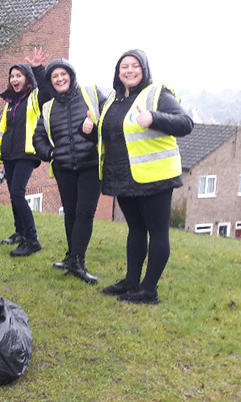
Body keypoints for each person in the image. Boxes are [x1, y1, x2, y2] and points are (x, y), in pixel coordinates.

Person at [89, 49, 193, 304]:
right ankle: (131, 281)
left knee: (157, 233)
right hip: (123, 176)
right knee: (135, 230)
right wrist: (90, 130)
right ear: (118, 72)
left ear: (144, 70)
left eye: (135, 66)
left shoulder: (157, 95)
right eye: (124, 66)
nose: (129, 70)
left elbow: (185, 123)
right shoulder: (113, 99)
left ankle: (149, 290)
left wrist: (154, 118)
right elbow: (111, 135)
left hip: (155, 177)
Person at [33, 58, 107, 283]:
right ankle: (71, 257)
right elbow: (38, 137)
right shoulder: (48, 107)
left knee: (85, 214)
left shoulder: (91, 95)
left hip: (90, 166)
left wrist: (92, 130)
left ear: (71, 75)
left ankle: (78, 262)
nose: (59, 79)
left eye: (63, 74)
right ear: (50, 82)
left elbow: (110, 122)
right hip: (64, 168)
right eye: (54, 77)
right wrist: (50, 154)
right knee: (71, 214)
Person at [0, 54, 49, 257]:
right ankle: (20, 232)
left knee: (18, 193)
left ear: (27, 78)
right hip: (9, 154)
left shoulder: (35, 97)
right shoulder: (10, 102)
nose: (14, 80)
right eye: (12, 76)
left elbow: (47, 91)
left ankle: (32, 240)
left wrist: (39, 68)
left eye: (19, 76)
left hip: (27, 153)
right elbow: (4, 128)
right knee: (13, 195)